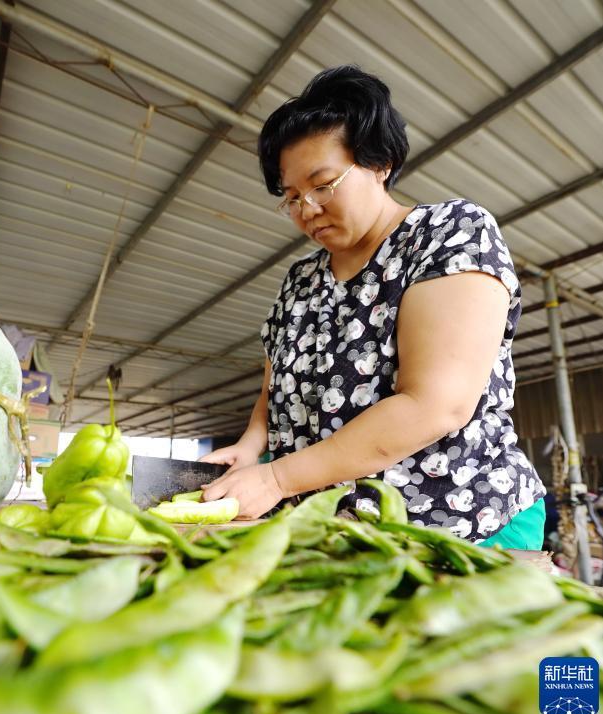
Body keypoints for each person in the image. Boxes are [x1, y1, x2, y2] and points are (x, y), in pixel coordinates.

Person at [199, 65, 546, 549]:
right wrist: (251, 448)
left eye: (323, 185)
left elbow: (435, 404)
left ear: (379, 162)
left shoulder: (448, 234)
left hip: (460, 525)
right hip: (338, 535)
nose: (306, 209)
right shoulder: (300, 280)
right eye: (292, 196)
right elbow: (274, 389)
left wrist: (277, 479)